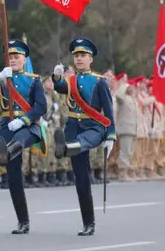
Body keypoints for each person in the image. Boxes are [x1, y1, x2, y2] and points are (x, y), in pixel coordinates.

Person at [0, 39, 46, 234]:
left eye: (17, 56)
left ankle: (8, 149)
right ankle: (23, 221)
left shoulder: (34, 80)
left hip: (28, 126)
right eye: (10, 56)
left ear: (24, 59)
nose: (13, 59)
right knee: (14, 178)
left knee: (20, 139)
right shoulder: (1, 78)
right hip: (7, 125)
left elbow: (41, 107)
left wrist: (24, 120)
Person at [51, 37, 115, 236]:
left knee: (83, 142)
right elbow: (59, 87)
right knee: (81, 179)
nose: (79, 59)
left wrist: (111, 136)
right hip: (72, 128)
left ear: (91, 59)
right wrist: (56, 76)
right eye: (77, 55)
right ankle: (88, 223)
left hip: (93, 128)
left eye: (83, 55)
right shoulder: (70, 81)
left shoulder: (99, 82)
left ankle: (67, 148)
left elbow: (109, 111)